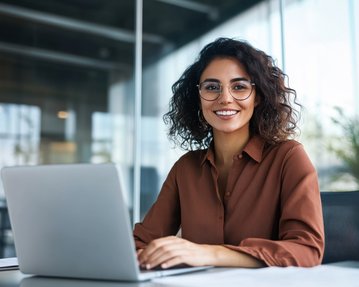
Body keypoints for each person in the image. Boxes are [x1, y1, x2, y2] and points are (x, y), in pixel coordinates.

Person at [133, 37, 324, 269]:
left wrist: (211, 254)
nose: (225, 98)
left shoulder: (288, 157)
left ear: (258, 97)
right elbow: (140, 244)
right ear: (198, 97)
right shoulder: (186, 168)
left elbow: (307, 251)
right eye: (212, 87)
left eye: (239, 87)